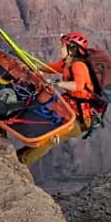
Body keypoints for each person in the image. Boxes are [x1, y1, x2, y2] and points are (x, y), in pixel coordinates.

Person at [16, 31, 98, 166]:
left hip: (79, 119)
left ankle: (23, 161)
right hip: (69, 111)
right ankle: (20, 156)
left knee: (50, 137)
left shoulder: (79, 65)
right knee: (44, 130)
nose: (60, 49)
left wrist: (57, 83)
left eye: (63, 46)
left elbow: (78, 85)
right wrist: (31, 64)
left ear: (71, 50)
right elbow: (49, 68)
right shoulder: (67, 64)